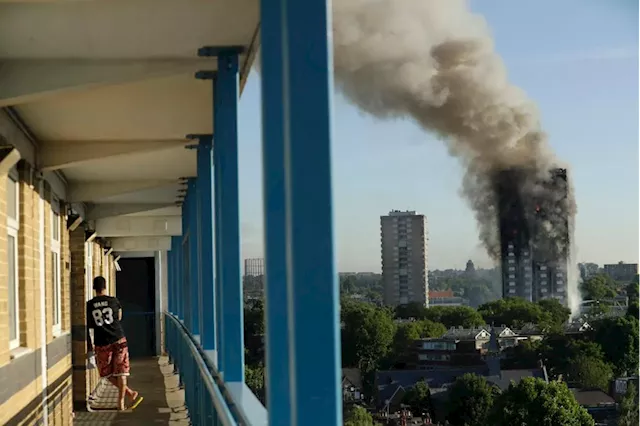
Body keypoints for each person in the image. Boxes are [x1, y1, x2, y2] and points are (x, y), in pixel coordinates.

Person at [87, 276, 143, 411]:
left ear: (94, 288)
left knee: (105, 373)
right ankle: (121, 403)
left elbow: (89, 325)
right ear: (105, 286)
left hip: (102, 342)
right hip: (118, 338)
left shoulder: (89, 305)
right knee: (121, 372)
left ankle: (130, 393)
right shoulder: (114, 301)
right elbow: (119, 317)